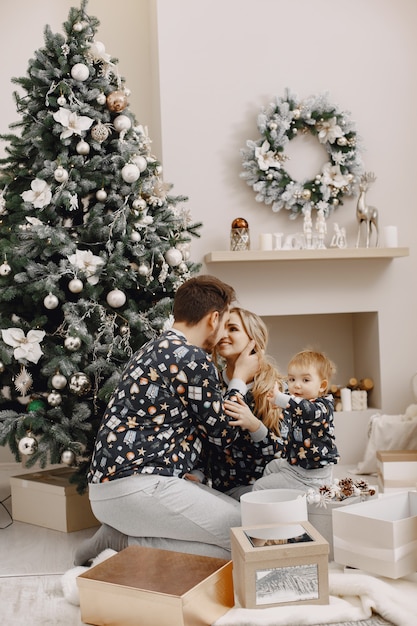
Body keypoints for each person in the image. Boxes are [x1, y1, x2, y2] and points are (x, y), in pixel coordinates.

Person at [74, 274, 259, 566]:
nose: (223, 334)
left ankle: (123, 537)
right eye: (224, 324)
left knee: (241, 520)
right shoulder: (192, 358)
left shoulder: (154, 347)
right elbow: (222, 434)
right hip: (138, 486)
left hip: (113, 487)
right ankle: (123, 542)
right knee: (245, 537)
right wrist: (238, 381)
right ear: (213, 319)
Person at [205, 307, 286, 499]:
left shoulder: (277, 388)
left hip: (267, 491)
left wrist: (255, 426)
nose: (223, 334)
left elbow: (285, 453)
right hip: (221, 492)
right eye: (221, 328)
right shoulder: (209, 383)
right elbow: (207, 438)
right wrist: (200, 473)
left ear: (253, 338)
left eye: (232, 328)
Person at [252, 349, 339, 493]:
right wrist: (277, 402)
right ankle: (281, 498)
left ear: (322, 386)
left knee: (259, 486)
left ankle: (288, 494)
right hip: (296, 463)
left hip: (310, 474)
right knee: (271, 467)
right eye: (292, 379)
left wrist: (281, 399)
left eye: (305, 380)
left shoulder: (322, 407)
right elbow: (294, 406)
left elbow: (306, 409)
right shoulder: (298, 402)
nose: (296, 385)